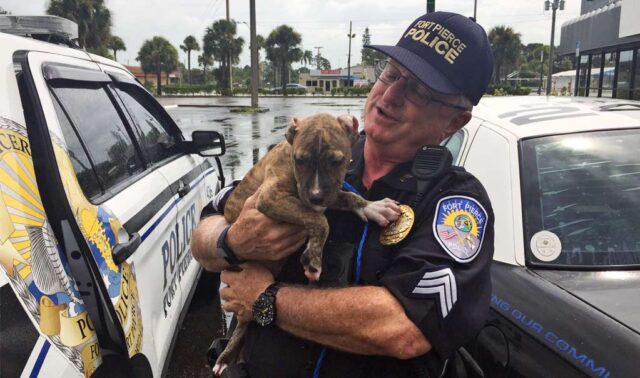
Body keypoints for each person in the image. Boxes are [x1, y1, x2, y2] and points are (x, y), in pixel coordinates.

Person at [192, 11, 495, 378]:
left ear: (454, 122)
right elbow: (207, 228)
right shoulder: (316, 150)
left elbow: (403, 329)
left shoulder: (455, 202)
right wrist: (231, 241)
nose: (391, 94)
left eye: (419, 90)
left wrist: (266, 298)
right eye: (391, 73)